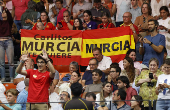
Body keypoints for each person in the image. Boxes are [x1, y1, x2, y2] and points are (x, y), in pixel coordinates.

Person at [0, 2, 14, 82]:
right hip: (0, 42)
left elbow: (10, 16)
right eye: (2, 12)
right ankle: (3, 78)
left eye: (5, 12)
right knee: (1, 63)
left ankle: (11, 78)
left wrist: (5, 7)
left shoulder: (9, 22)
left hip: (8, 41)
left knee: (11, 62)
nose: (4, 13)